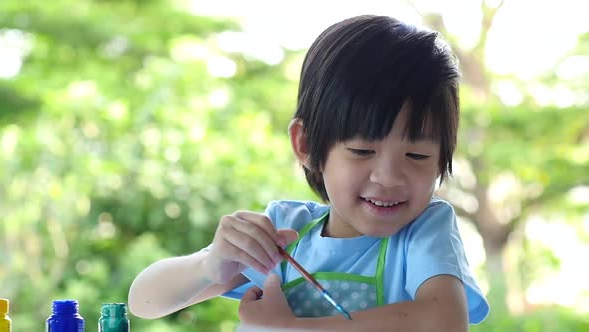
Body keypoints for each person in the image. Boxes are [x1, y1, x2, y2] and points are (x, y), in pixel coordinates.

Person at [128, 14, 490, 331]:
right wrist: (209, 266)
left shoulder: (424, 231)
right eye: (362, 151)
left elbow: (442, 321)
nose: (388, 177)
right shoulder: (286, 232)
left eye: (416, 155)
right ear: (306, 145)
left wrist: (292, 328)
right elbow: (143, 302)